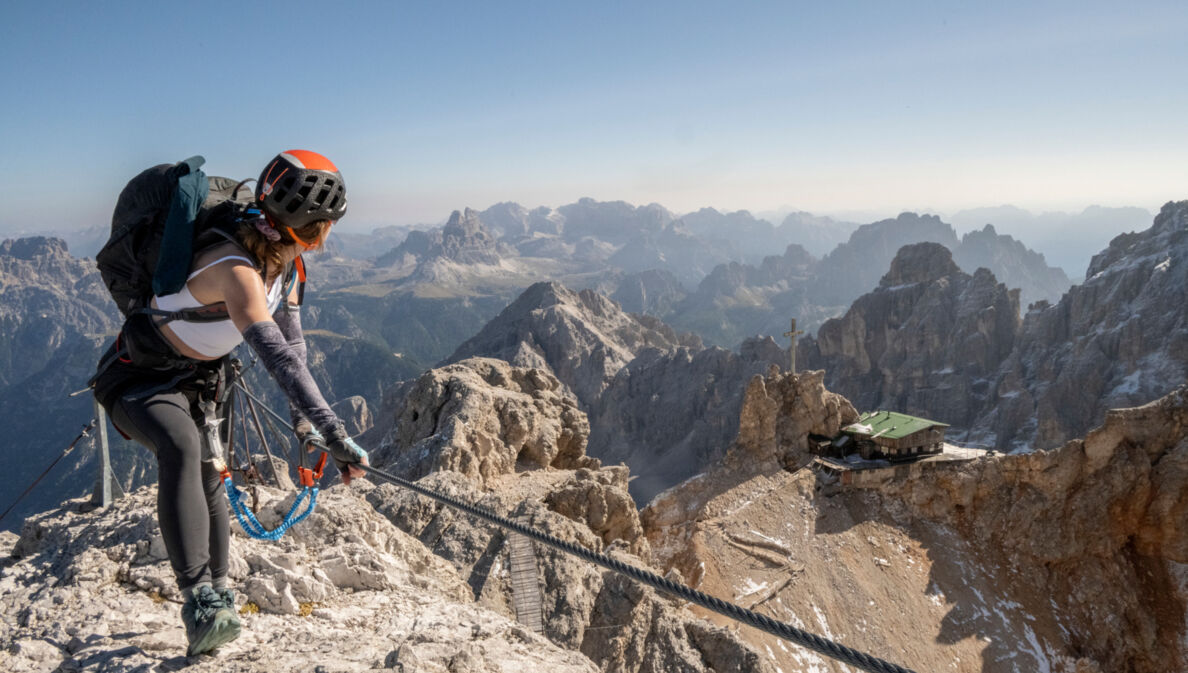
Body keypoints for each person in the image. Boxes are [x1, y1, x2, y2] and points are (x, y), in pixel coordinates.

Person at [91, 150, 369, 656]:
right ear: (305, 228)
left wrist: (303, 427)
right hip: (141, 379)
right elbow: (278, 359)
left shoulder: (288, 266)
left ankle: (221, 597)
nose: (325, 240)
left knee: (211, 475)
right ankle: (198, 602)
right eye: (321, 229)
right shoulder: (235, 270)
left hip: (200, 380)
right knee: (181, 446)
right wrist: (334, 431)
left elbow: (296, 345)